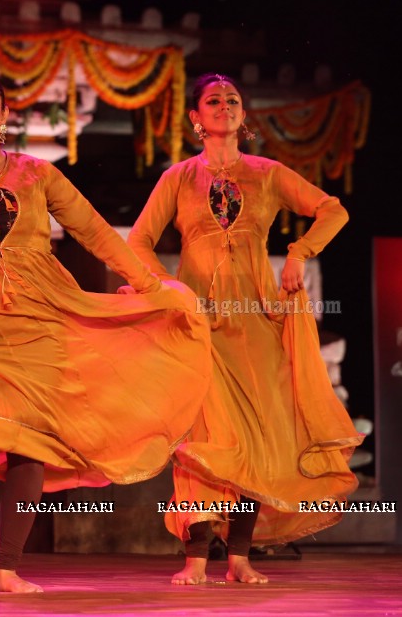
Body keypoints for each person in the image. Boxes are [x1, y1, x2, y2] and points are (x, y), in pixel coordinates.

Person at [0, 69, 212, 594]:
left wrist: (149, 285)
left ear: (5, 116)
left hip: (42, 323)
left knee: (30, 447)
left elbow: (94, 232)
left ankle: (8, 570)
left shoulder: (37, 175)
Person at [127, 73, 363, 585]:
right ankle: (195, 559)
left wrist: (301, 251)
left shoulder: (267, 173)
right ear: (196, 117)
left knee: (255, 439)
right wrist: (169, 288)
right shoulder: (179, 179)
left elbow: (332, 209)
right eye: (213, 100)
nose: (224, 105)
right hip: (199, 325)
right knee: (200, 438)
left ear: (243, 114)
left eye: (232, 99)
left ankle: (239, 558)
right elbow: (138, 242)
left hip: (255, 323)